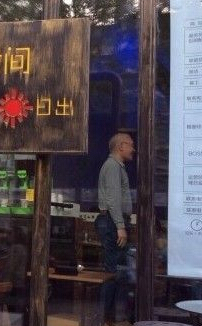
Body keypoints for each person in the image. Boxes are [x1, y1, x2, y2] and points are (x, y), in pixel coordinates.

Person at [95, 132, 135, 325]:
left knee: (117, 271)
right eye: (130, 145)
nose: (133, 149)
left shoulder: (116, 166)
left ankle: (109, 318)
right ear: (121, 146)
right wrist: (120, 226)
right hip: (112, 221)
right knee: (113, 271)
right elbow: (113, 199)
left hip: (113, 221)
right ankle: (106, 318)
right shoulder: (112, 166)